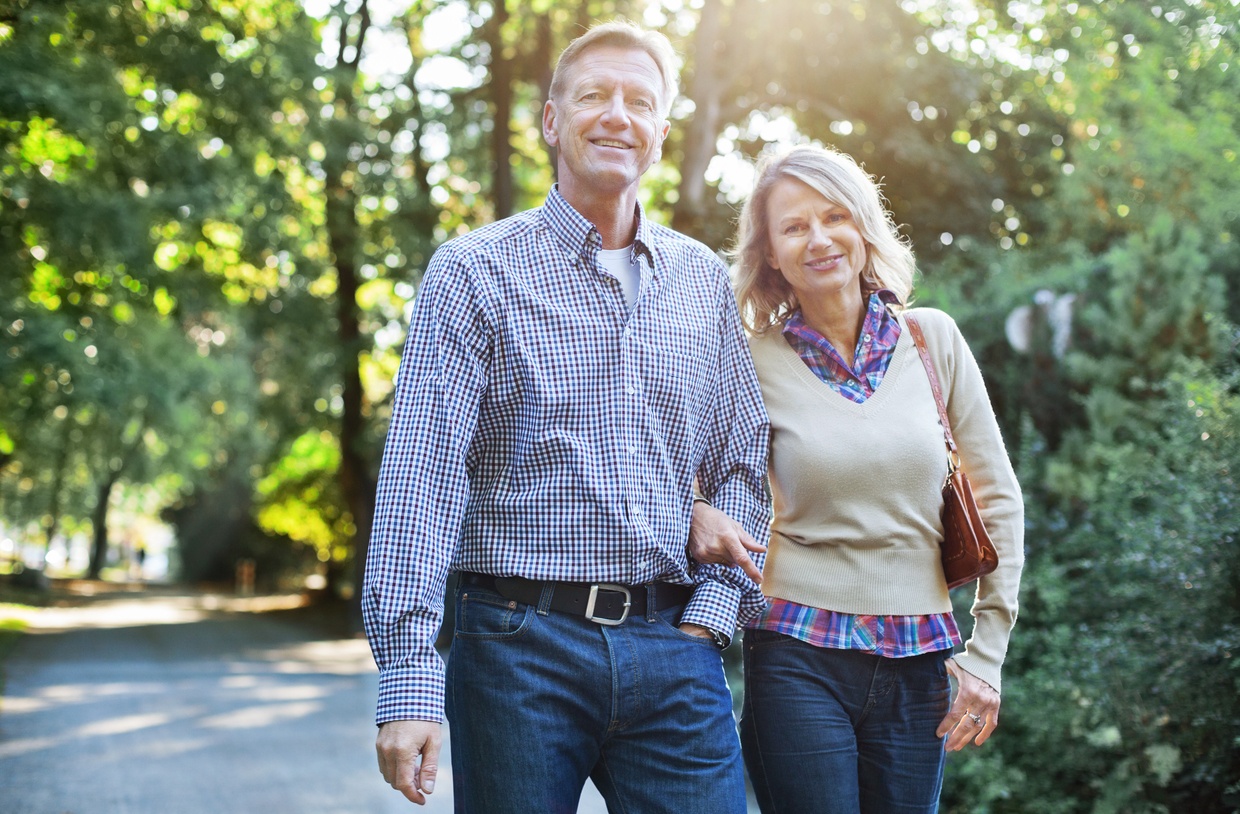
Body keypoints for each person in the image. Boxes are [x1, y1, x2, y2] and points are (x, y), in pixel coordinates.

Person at [361, 20, 770, 814]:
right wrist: (409, 678)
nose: (618, 114)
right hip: (518, 648)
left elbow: (746, 457)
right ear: (553, 121)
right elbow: (423, 475)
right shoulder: (475, 271)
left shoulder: (700, 281)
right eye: (595, 95)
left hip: (671, 645)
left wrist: (711, 618)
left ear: (657, 133)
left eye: (640, 102)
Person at [692, 144, 1025, 813]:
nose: (818, 239)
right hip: (796, 652)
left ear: (863, 228)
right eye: (793, 227)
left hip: (919, 654)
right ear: (771, 255)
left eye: (834, 216)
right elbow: (682, 471)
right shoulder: (747, 362)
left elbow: (999, 500)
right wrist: (697, 509)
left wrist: (987, 652)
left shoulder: (932, 342)